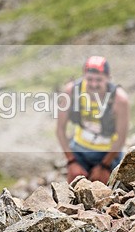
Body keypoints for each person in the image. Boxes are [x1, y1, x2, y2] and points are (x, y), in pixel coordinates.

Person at [56, 56, 130, 184]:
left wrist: (104, 166)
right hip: (78, 152)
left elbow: (121, 138)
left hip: (108, 154)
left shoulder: (119, 99)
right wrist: (71, 161)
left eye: (99, 80)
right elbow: (60, 130)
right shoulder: (72, 91)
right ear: (84, 76)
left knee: (105, 198)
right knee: (73, 195)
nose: (94, 84)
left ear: (108, 78)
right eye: (89, 79)